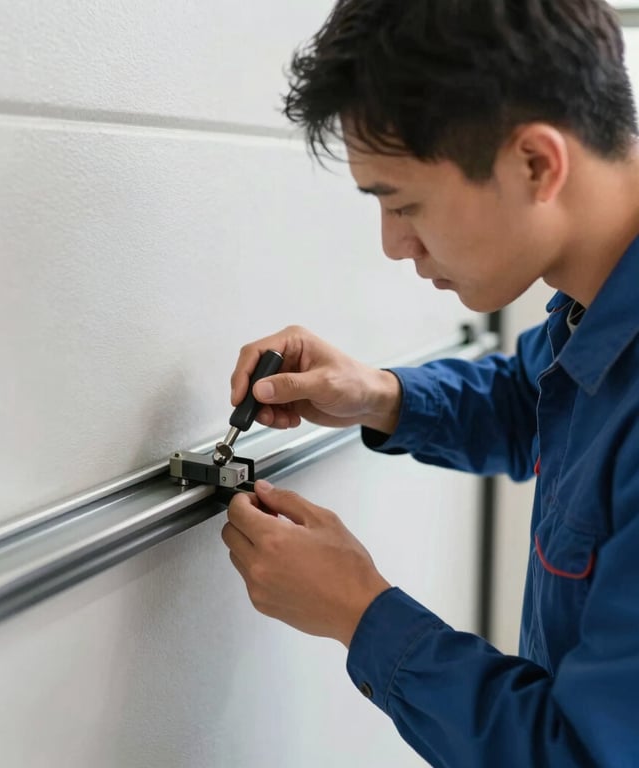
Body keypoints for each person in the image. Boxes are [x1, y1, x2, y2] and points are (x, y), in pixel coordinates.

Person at [219, 1, 639, 765]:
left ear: (536, 164)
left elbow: (582, 756)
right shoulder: (601, 299)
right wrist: (378, 395)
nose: (394, 243)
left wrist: (359, 612)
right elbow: (538, 402)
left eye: (404, 203)